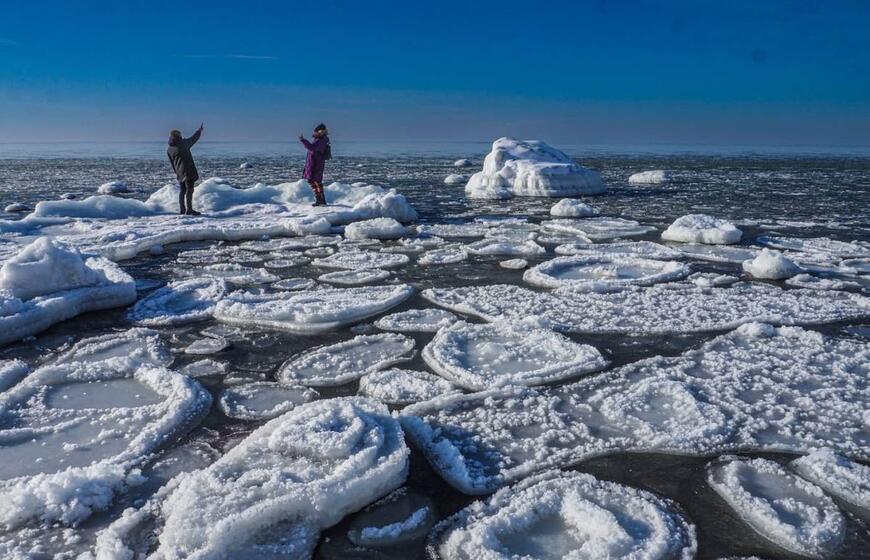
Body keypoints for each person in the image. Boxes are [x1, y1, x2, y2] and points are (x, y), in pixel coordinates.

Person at [167, 123, 204, 215]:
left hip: (179, 172)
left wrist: (177, 173)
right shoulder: (183, 144)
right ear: (178, 135)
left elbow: (172, 163)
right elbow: (193, 139)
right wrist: (199, 131)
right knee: (189, 190)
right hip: (188, 171)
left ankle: (182, 210)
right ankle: (189, 209)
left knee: (182, 191)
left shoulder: (169, 149)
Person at [299, 123, 331, 206]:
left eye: (317, 131)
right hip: (313, 162)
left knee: (317, 180)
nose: (316, 132)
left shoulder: (321, 140)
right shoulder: (319, 139)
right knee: (312, 180)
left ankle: (321, 199)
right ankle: (319, 199)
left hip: (317, 163)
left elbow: (312, 148)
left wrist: (303, 140)